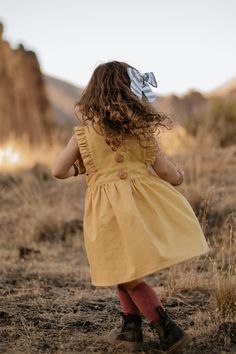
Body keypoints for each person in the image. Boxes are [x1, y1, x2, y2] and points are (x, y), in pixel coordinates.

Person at [52, 61, 210, 353]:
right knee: (122, 268)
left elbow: (58, 170)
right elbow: (165, 172)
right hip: (142, 206)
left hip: (106, 212)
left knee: (127, 274)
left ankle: (168, 331)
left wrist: (81, 171)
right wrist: (180, 176)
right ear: (130, 92)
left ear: (93, 94)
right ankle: (130, 330)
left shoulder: (84, 134)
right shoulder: (141, 131)